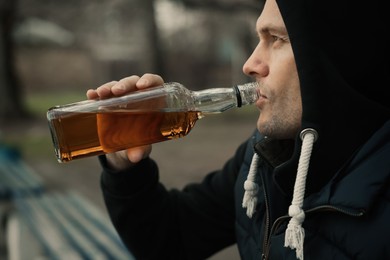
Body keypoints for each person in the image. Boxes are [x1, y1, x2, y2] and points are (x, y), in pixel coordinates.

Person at [86, 0, 390, 259]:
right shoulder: (265, 154)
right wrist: (122, 163)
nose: (250, 64)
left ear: (339, 55)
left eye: (277, 38)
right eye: (259, 38)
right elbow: (168, 238)